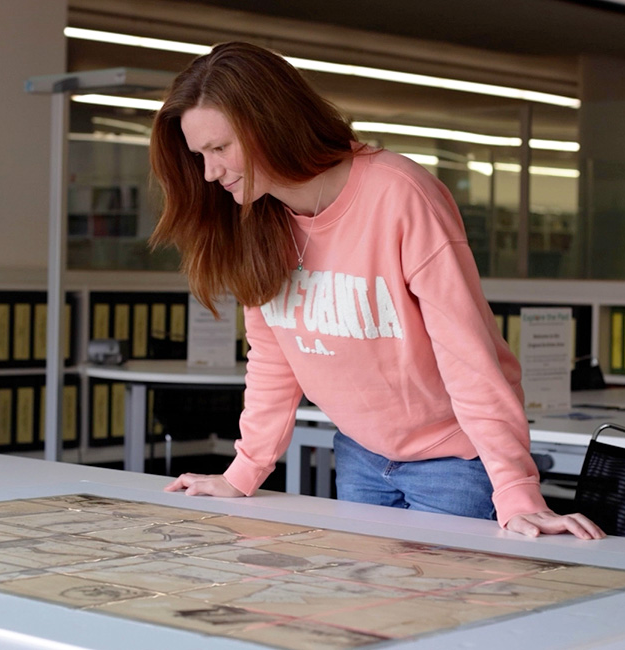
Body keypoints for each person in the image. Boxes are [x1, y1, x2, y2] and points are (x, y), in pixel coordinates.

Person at [148, 41, 603, 540]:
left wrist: (517, 493)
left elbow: (466, 355)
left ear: (271, 123)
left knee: (444, 611)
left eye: (220, 148)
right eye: (201, 155)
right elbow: (275, 361)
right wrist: (242, 474)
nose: (211, 173)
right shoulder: (255, 219)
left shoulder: (398, 194)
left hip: (452, 460)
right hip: (361, 455)